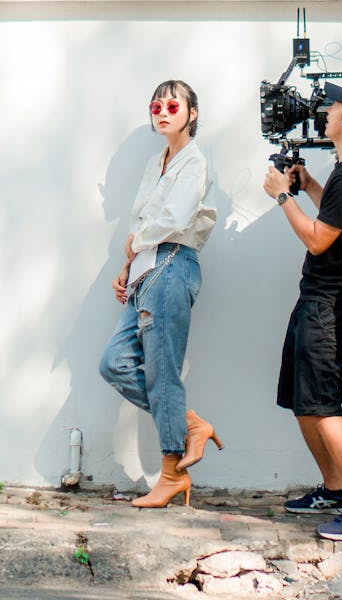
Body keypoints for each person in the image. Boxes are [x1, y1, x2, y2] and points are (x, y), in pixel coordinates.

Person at [262, 81, 342, 541]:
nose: (325, 109)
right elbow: (335, 219)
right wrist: (310, 184)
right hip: (316, 296)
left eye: (335, 104)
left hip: (331, 305)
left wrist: (283, 196)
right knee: (304, 401)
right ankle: (335, 491)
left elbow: (318, 237)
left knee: (324, 405)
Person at [99, 80, 219, 508]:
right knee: (114, 363)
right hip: (148, 270)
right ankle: (190, 425)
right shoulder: (157, 161)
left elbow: (174, 218)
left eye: (173, 105)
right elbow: (143, 221)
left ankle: (170, 476)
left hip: (171, 266)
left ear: (192, 114)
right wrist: (127, 267)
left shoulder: (194, 162)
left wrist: (135, 246)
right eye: (156, 106)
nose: (163, 112)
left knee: (162, 372)